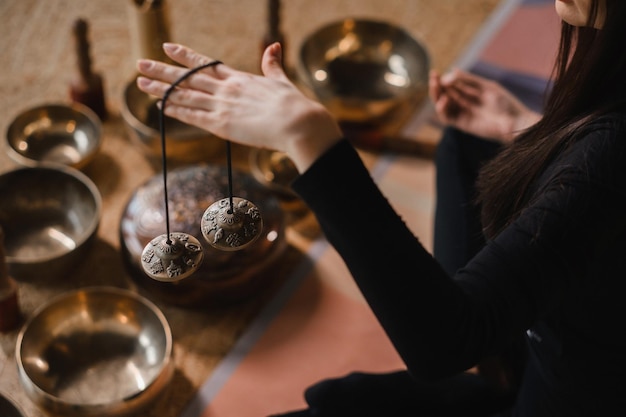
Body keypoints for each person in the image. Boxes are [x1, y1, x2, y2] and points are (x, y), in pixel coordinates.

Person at [136, 0, 626, 415]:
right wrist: (532, 134)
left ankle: (497, 373)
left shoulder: (608, 155)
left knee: (350, 398)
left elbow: (445, 344)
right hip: (553, 335)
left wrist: (310, 140)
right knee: (468, 144)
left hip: (562, 395)